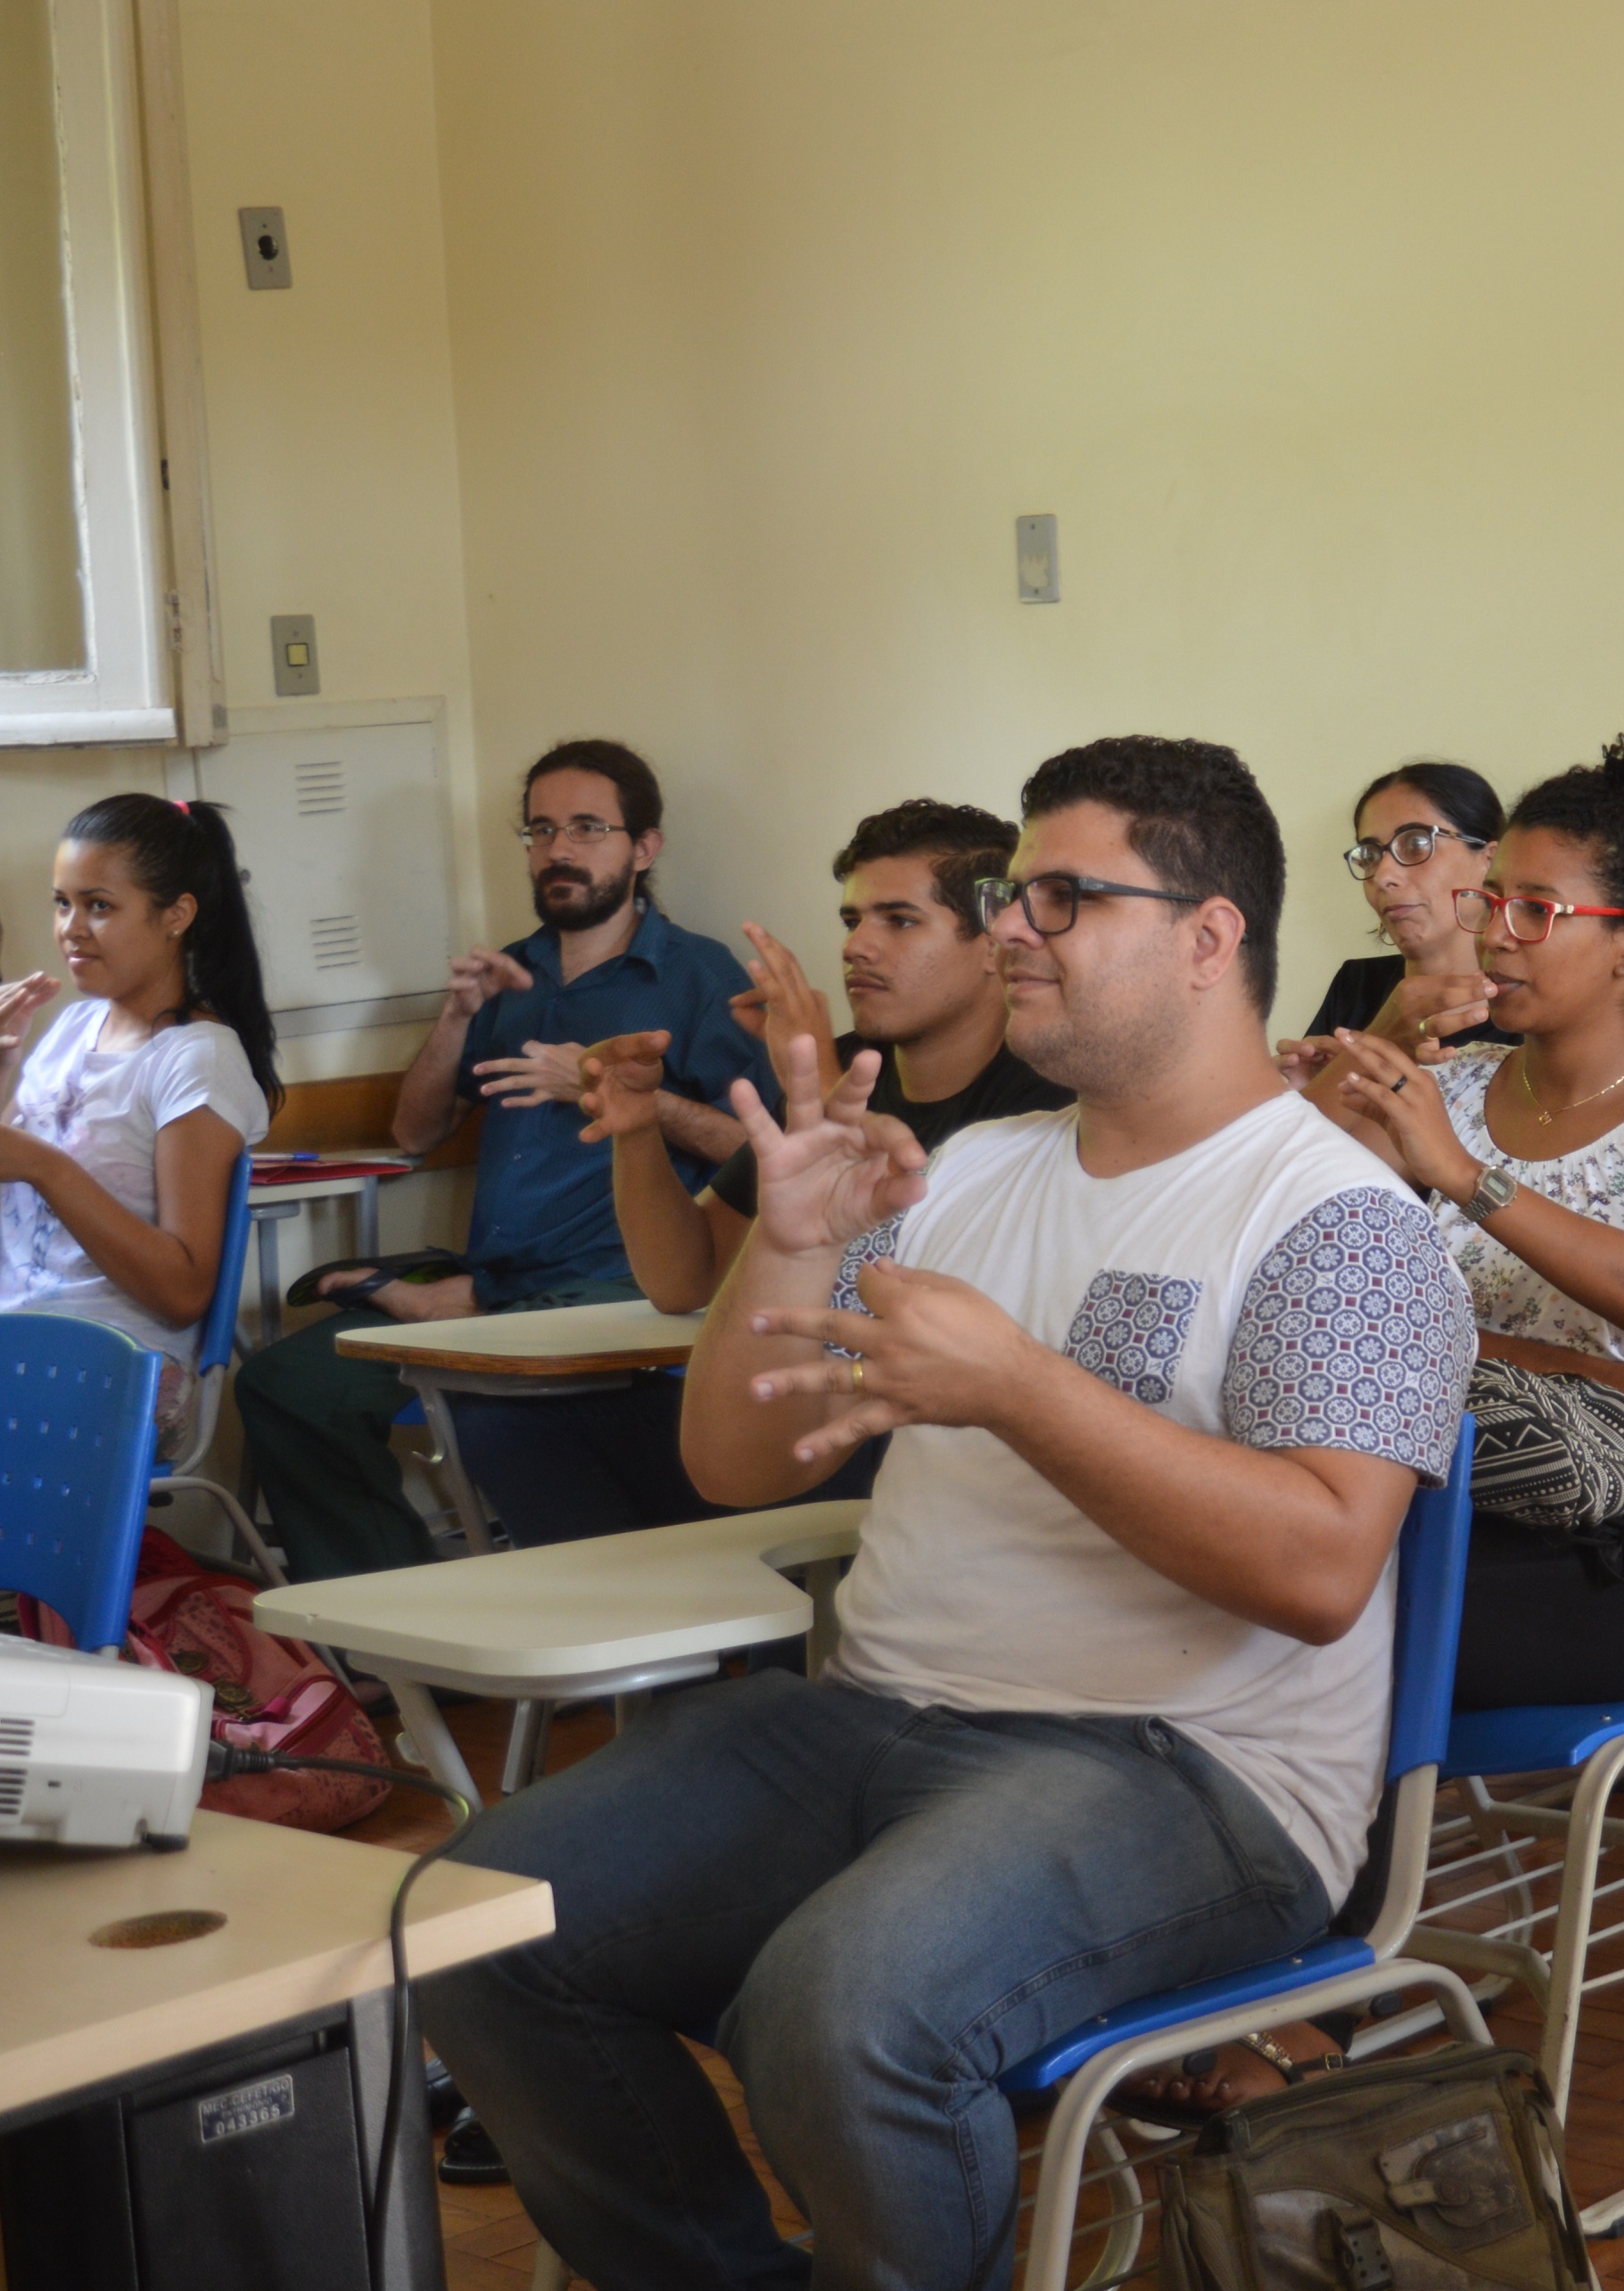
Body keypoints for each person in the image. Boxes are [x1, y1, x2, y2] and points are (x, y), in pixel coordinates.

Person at [418, 734, 1473, 2291]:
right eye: (1005, 895)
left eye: (1061, 895)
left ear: (1207, 935)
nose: (1014, 930)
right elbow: (737, 1463)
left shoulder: (1339, 1214)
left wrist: (1019, 1386)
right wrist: (782, 1248)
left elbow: (1319, 1569)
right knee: (483, 1920)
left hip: (1190, 1765)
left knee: (837, 2009)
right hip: (880, 1715)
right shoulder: (972, 1167)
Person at [1140, 732, 1624, 2119]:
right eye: (1498, 900)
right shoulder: (1453, 1082)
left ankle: (1296, 2006)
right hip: (1453, 1495)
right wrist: (1338, 1097)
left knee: (1320, 1625)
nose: (1498, 931)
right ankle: (1229, 1976)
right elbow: (1276, 1243)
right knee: (1246, 1595)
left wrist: (1462, 1177)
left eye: (1538, 911)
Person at [438, 798, 1068, 1551]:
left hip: (911, 1432)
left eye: (899, 921)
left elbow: (901, 1267)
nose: (858, 947)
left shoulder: (1042, 1095)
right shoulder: (822, 1061)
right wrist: (636, 1125)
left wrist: (818, 1075)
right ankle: (681, 1657)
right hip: (787, 1421)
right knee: (510, 1422)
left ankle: (756, 1640)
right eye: (851, 921)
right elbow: (683, 1279)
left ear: (992, 946)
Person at [234, 740, 771, 1581]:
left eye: (589, 828)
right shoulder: (513, 976)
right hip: (503, 1282)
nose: (559, 850)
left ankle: (438, 1311)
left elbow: (761, 1150)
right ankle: (402, 1626)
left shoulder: (697, 976)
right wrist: (456, 1018)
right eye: (542, 829)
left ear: (644, 847)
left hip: (621, 1289)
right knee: (286, 1386)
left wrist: (614, 1091)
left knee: (491, 1404)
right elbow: (416, 1133)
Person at [0, 795, 279, 1431]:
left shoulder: (196, 1058)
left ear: (176, 914)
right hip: (19, 1344)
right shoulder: (72, 1027)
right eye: (61, 902)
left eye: (99, 905)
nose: (71, 927)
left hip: (110, 1360)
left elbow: (182, 1293)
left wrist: (48, 1168)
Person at [1276, 760, 1507, 1084]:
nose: (1383, 876)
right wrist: (1304, 1094)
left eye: (1416, 844)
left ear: (1489, 859)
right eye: (1370, 854)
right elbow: (1311, 1128)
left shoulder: (1523, 1011)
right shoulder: (1356, 986)